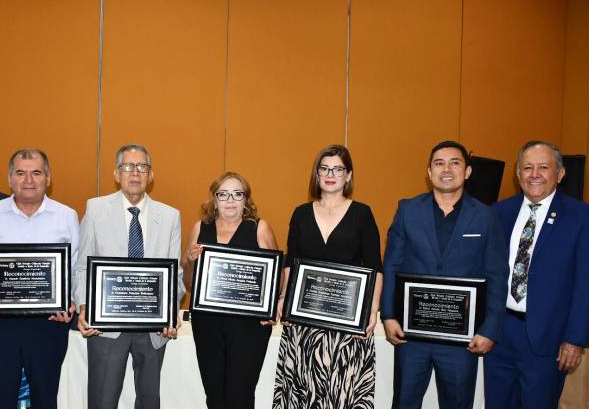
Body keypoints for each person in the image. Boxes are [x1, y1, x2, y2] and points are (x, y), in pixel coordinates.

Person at [380, 140, 508, 409]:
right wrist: (389, 315)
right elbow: (391, 264)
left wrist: (490, 329)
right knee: (404, 401)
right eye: (439, 163)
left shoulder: (486, 217)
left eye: (455, 162)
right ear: (429, 172)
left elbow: (497, 275)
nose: (446, 169)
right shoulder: (408, 210)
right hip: (410, 335)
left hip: (461, 341)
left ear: (467, 171)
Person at [484, 140, 589, 408]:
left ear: (559, 174)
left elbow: (588, 283)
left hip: (547, 339)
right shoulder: (499, 212)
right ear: (518, 173)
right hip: (500, 335)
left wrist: (575, 339)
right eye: (527, 167)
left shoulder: (584, 218)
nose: (534, 174)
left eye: (543, 167)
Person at [273, 144, 383, 408]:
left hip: (346, 327)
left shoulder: (362, 213)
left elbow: (375, 266)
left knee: (342, 393)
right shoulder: (301, 213)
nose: (330, 173)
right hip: (304, 324)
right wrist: (283, 299)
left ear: (348, 175)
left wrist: (373, 310)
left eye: (338, 168)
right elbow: (291, 262)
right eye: (324, 168)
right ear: (317, 174)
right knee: (303, 393)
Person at [74, 143, 183, 409]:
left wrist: (171, 311)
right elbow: (82, 266)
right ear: (116, 173)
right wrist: (84, 306)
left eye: (142, 167)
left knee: (149, 401)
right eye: (128, 166)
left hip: (153, 329)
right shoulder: (96, 209)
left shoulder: (169, 216)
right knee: (102, 401)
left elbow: (175, 273)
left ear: (151, 175)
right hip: (106, 327)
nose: (135, 172)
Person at [0, 148, 78, 409]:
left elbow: (75, 266)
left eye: (36, 173)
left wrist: (70, 303)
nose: (29, 180)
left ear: (48, 178)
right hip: (1, 323)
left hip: (50, 322)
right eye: (20, 173)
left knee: (45, 397)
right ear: (9, 179)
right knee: (1, 396)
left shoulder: (67, 216)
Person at [183, 172, 279, 409]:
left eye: (237, 194)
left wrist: (273, 306)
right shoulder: (200, 227)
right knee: (214, 396)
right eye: (223, 194)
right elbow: (187, 282)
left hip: (248, 327)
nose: (230, 200)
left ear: (246, 199)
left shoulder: (259, 228)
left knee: (240, 396)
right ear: (214, 199)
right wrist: (190, 260)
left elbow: (276, 277)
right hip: (207, 323)